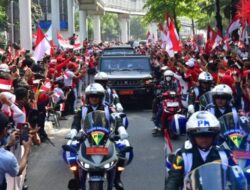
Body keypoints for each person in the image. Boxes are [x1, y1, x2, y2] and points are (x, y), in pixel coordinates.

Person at [69, 83, 131, 190]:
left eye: (96, 96)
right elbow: (76, 121)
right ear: (88, 97)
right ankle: (77, 179)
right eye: (91, 96)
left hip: (106, 137)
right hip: (86, 137)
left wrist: (121, 129)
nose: (94, 98)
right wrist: (74, 131)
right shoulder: (82, 109)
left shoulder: (108, 108)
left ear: (101, 97)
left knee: (123, 152)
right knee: (71, 152)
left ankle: (117, 179)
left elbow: (117, 118)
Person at [165, 111, 237, 189]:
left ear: (215, 136)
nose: (204, 139)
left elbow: (237, 176)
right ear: (192, 136)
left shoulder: (224, 153)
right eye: (199, 136)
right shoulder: (183, 154)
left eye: (208, 135)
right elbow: (173, 179)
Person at [0, 112, 32, 189]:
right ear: (4, 130)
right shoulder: (7, 157)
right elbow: (18, 171)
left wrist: (8, 145)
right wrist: (27, 150)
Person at [152, 70, 181, 135]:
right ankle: (156, 126)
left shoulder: (174, 83)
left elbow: (176, 91)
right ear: (164, 77)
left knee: (179, 110)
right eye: (167, 76)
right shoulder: (162, 83)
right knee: (160, 111)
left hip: (173, 100)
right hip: (164, 100)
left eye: (169, 76)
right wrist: (160, 94)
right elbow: (158, 91)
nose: (168, 78)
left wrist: (178, 94)